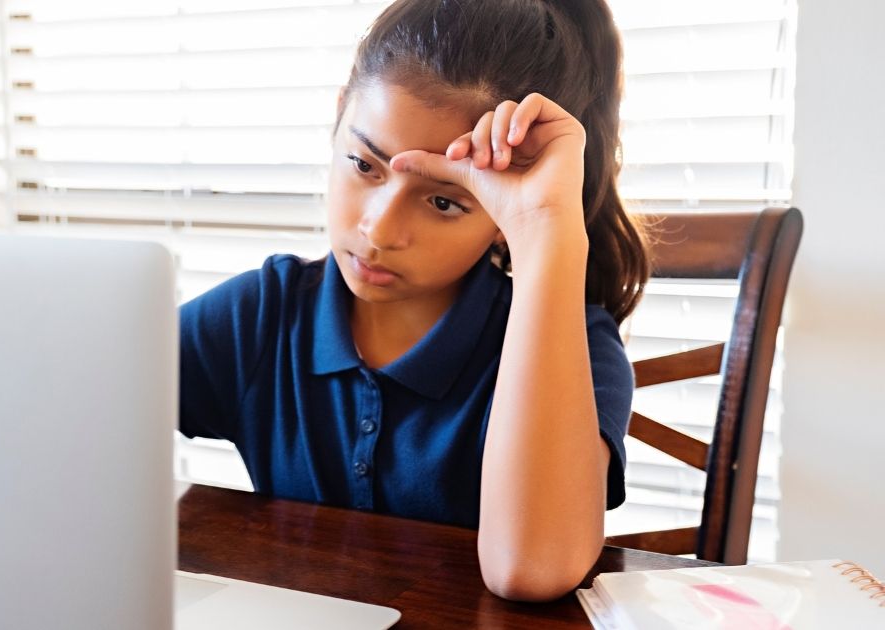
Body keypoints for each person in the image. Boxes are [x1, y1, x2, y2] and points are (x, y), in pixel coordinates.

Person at [178, 0, 649, 602]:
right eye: (363, 164)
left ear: (504, 217)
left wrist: (545, 225)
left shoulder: (572, 346)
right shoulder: (261, 315)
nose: (378, 231)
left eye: (445, 201)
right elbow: (56, 407)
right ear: (338, 119)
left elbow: (530, 570)